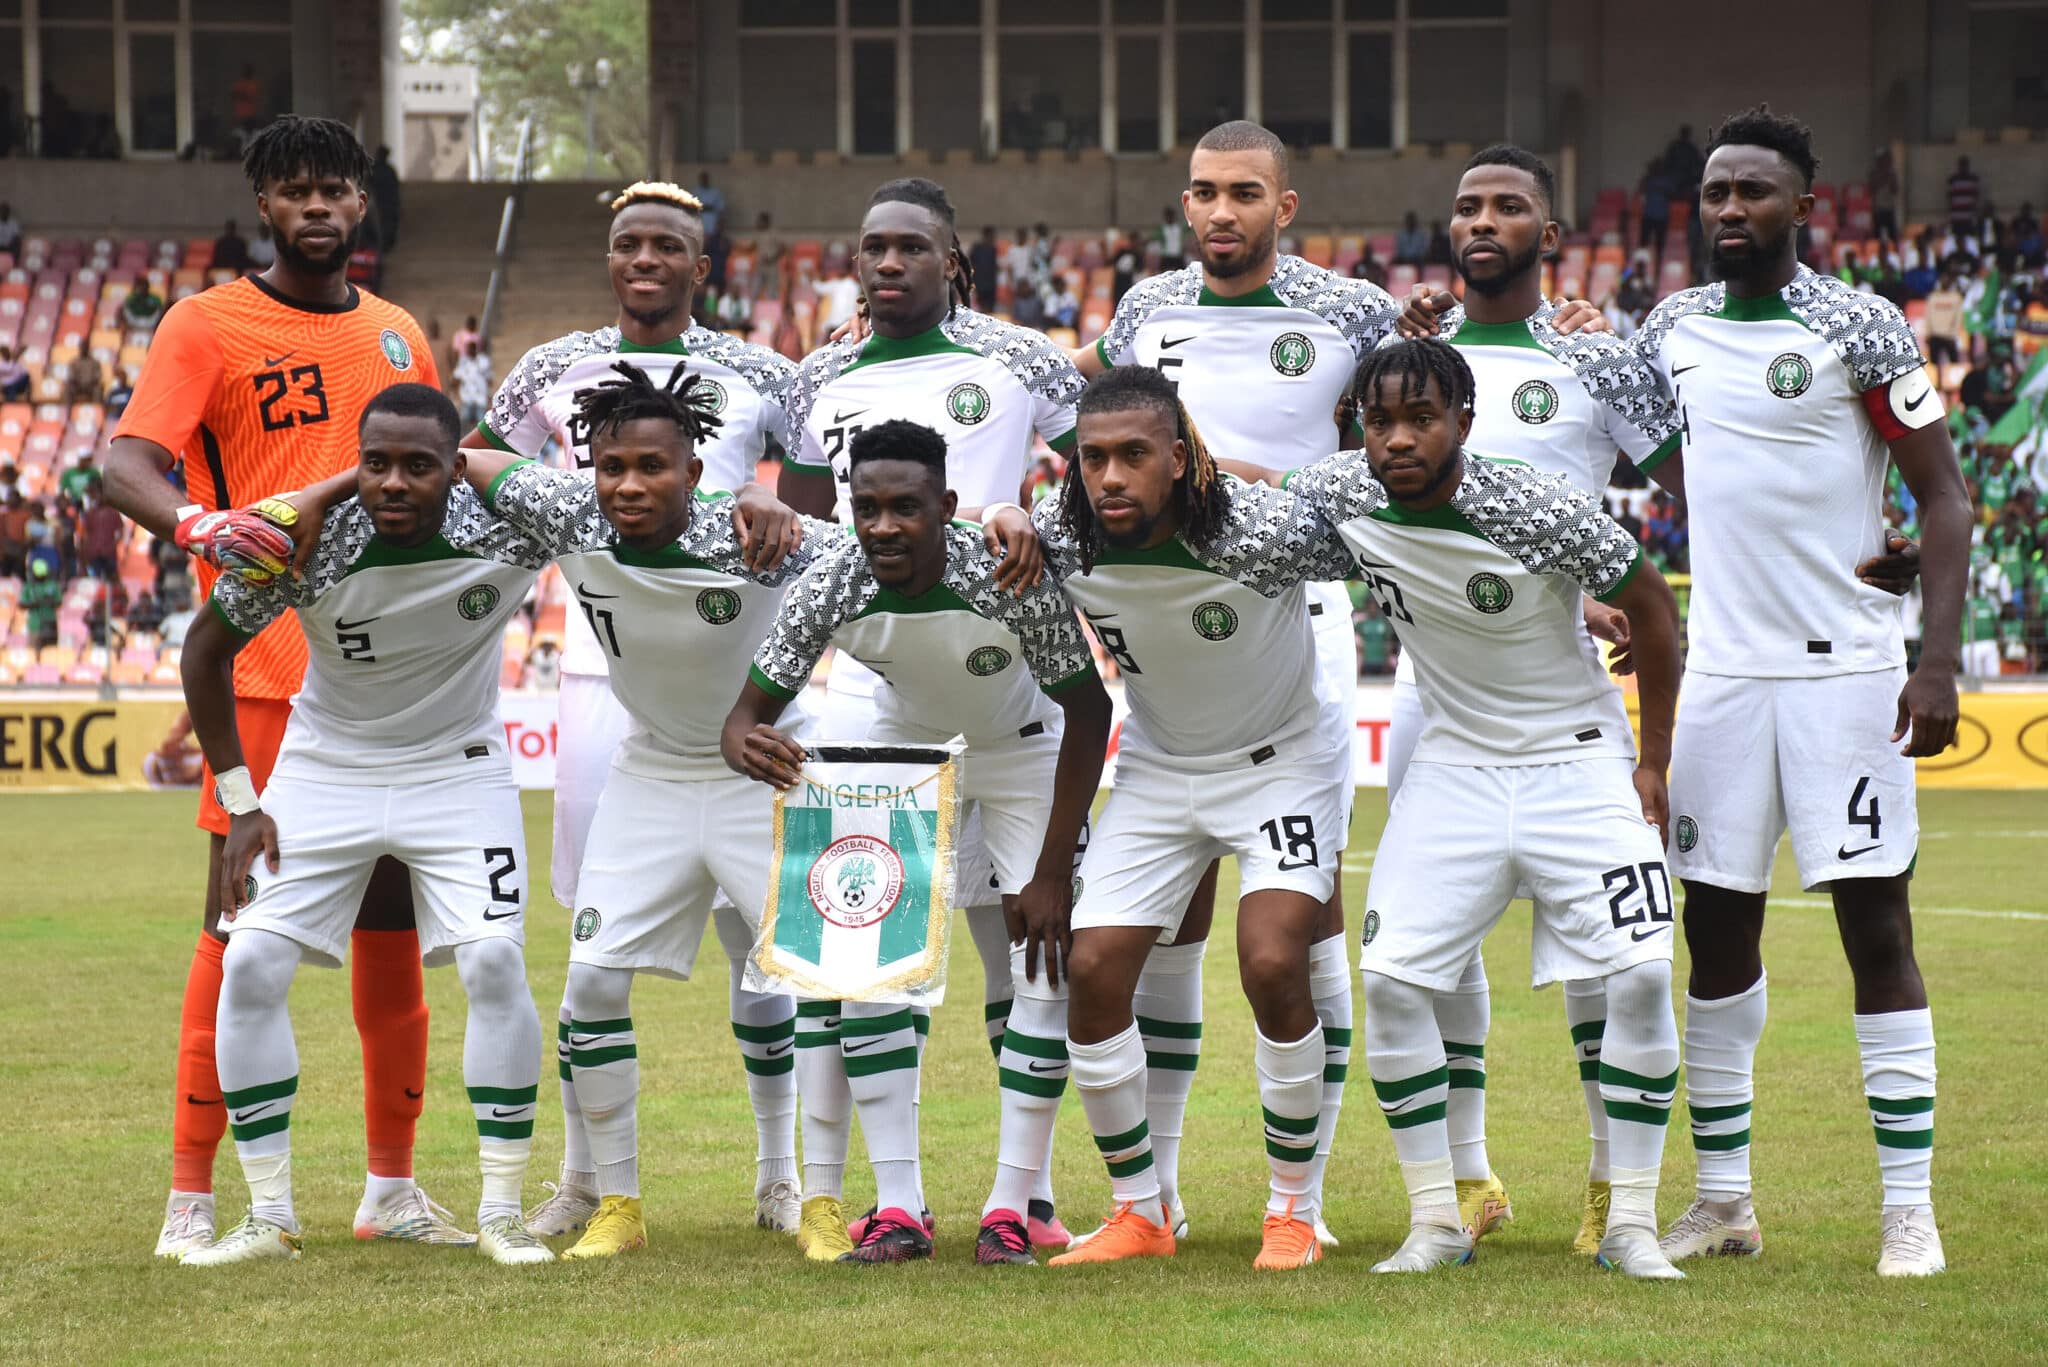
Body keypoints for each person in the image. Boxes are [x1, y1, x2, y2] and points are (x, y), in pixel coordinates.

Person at [1068, 120, 1606, 1247]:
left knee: (1299, 934)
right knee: (1163, 932)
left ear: (1285, 203)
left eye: (1243, 193)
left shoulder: (1351, 310)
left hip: (1297, 599)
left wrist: (1572, 326)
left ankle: (1324, 1199)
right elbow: (1095, 405)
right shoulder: (1143, 309)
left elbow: (1435, 392)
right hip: (1173, 629)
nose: (1219, 212)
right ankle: (1150, 1192)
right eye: (1203, 192)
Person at [101, 113, 448, 1261]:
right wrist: (202, 522)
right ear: (264, 206)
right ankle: (191, 1200)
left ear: (362, 204)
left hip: (389, 682)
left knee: (391, 932)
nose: (315, 207)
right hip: (263, 679)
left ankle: (390, 1187)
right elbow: (124, 462)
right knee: (235, 932)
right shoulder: (205, 324)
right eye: (293, 190)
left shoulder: (400, 333)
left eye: (334, 189)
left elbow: (439, 480)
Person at [1635, 106, 1969, 1277]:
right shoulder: (1668, 326)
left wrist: (1934, 658)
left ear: (1802, 207)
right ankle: (1721, 1197)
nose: (1728, 209)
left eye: (1753, 193)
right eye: (1715, 192)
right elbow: (1618, 444)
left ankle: (1905, 1211)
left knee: (1875, 927)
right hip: (1722, 681)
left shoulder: (1858, 325)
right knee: (1712, 935)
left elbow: (1941, 497)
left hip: (1846, 679)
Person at [1280, 337, 1689, 1279]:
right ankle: (1432, 1220)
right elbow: (1243, 497)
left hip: (1576, 759)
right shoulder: (1337, 494)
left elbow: (1656, 610)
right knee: (1389, 980)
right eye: (1380, 421)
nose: (1399, 439)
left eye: (1422, 418)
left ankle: (1629, 1220)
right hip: (1457, 765)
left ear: (1464, 422)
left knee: (1636, 975)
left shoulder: (1534, 504)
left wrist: (1654, 760)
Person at [463, 179, 811, 1241]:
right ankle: (583, 1176)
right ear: (608, 260)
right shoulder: (547, 368)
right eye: (629, 244)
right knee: (594, 948)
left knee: (771, 961)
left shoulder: (763, 370)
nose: (646, 259)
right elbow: (475, 473)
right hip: (608, 683)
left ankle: (783, 1176)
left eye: (669, 245)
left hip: (745, 680)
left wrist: (770, 501)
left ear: (702, 266)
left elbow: (815, 505)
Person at [777, 177, 1089, 1257]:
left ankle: (1023, 1195)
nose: (887, 263)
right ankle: (888, 1197)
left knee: (1023, 956)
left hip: (1008, 674)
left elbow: (1112, 461)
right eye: (871, 247)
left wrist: (1026, 515)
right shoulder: (812, 376)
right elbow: (805, 532)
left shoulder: (1021, 356)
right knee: (866, 949)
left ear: (951, 261)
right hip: (873, 693)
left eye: (911, 247)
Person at [176, 384, 552, 1268]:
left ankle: (502, 1209)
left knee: (495, 959)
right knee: (253, 959)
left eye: (418, 465)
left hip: (459, 768)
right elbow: (204, 650)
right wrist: (239, 801)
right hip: (324, 767)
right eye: (373, 464)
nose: (392, 483)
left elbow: (608, 506)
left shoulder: (512, 528)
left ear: (455, 471)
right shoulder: (308, 540)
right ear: (354, 466)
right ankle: (269, 1214)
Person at [725, 419, 1112, 1265]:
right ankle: (900, 1206)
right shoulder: (833, 579)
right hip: (905, 755)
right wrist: (743, 743)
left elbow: (1091, 710)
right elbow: (746, 715)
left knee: (1043, 968)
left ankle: (1013, 1206)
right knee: (869, 970)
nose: (884, 525)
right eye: (867, 507)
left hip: (1022, 749)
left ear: (947, 507)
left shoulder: (1005, 572)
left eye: (906, 506)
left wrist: (1050, 871)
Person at [1392, 143, 1684, 1255]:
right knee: (1433, 948)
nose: (1481, 221)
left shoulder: (1591, 361)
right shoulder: (1409, 362)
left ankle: (1615, 1185)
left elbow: (1695, 483)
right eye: (1466, 205)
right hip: (1437, 700)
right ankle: (1465, 1178)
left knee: (1599, 952)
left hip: (1563, 701)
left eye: (1508, 205)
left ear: (1549, 235)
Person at [1032, 368, 1357, 1272]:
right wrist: (1005, 519)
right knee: (1092, 972)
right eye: (1093, 458)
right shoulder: (1063, 539)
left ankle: (1292, 1210)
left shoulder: (1261, 532)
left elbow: (1392, 537)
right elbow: (992, 532)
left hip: (1282, 763)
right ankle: (1141, 1211)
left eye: (1135, 455)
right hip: (1159, 764)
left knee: (1271, 958)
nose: (1110, 477)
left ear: (1180, 459)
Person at [80, 487, 124, 580]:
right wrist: (86, 550)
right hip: (94, 552)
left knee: (112, 578)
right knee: (96, 578)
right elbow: (85, 534)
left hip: (109, 553)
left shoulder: (113, 513)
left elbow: (120, 532)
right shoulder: (90, 513)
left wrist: (112, 546)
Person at [453, 339, 491, 428]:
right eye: (468, 349)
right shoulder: (463, 362)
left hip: (480, 398)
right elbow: (456, 378)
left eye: (471, 349)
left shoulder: (483, 361)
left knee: (481, 426)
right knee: (464, 424)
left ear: (475, 349)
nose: (469, 351)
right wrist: (456, 394)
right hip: (467, 398)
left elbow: (489, 380)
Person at [370, 144, 402, 252]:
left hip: (381, 200)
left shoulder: (374, 169)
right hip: (387, 201)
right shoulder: (389, 170)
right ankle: (386, 244)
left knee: (384, 223)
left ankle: (384, 244)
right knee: (388, 223)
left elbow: (369, 184)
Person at [1869, 149, 1900, 243]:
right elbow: (1872, 188)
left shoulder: (1892, 174)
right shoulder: (1874, 173)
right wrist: (1882, 178)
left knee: (1892, 235)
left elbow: (1895, 190)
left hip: (1889, 208)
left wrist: (1889, 177)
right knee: (1876, 236)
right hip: (1878, 209)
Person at [1947, 156, 1982, 232]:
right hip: (1957, 215)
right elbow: (1950, 197)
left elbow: (1976, 197)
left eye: (1964, 165)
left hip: (1968, 215)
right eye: (1961, 165)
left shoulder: (1974, 179)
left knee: (1969, 238)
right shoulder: (1953, 180)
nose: (1963, 167)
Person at [971, 226, 1001, 314]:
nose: (992, 238)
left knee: (990, 309)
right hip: (980, 284)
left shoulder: (993, 249)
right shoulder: (977, 248)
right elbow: (971, 264)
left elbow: (994, 266)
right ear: (986, 236)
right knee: (981, 308)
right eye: (991, 236)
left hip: (991, 284)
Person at [696, 171, 726, 241]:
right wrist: (705, 207)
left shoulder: (715, 192)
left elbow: (721, 208)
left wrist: (721, 224)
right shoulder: (696, 192)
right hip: (701, 222)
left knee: (713, 244)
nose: (704, 180)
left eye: (705, 178)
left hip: (713, 222)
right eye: (702, 179)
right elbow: (694, 208)